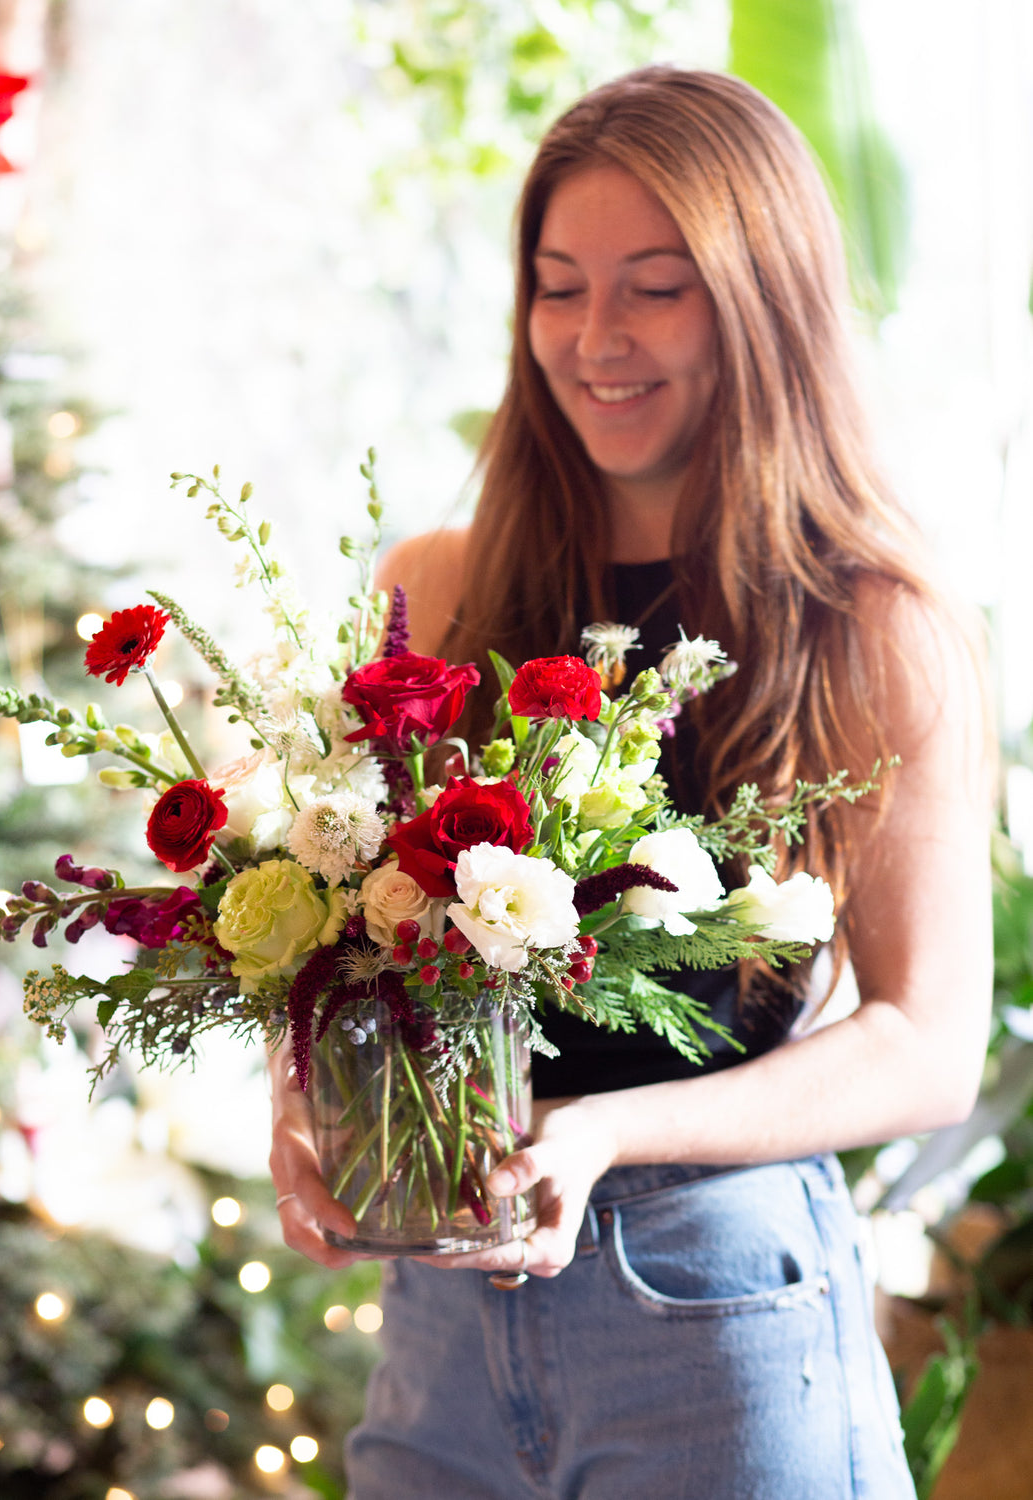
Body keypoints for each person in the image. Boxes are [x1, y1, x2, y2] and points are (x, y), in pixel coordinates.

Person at [270, 65, 993, 1498]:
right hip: (442, 1324)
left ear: (761, 304)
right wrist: (306, 1108)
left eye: (656, 288)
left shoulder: (871, 623)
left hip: (716, 1312)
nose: (596, 338)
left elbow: (926, 1041)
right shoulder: (438, 587)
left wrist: (604, 1134)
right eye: (559, 285)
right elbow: (349, 931)